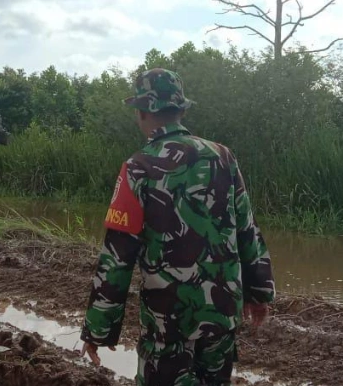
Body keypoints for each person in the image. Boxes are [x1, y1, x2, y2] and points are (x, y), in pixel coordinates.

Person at [79, 68, 275, 385]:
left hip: (168, 320)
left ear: (142, 112)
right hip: (223, 311)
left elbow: (118, 257)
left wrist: (98, 329)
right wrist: (260, 292)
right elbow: (246, 229)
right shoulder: (223, 156)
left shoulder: (138, 167)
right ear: (182, 110)